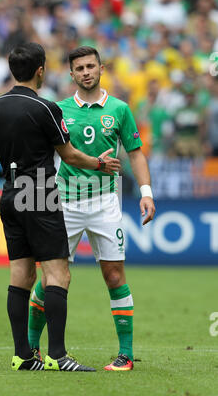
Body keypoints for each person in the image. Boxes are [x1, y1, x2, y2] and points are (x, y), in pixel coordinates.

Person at [0, 42, 120, 372]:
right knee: (57, 274)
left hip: (10, 194)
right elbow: (68, 155)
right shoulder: (46, 108)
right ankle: (57, 355)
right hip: (39, 192)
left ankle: (23, 355)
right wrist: (99, 163)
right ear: (41, 70)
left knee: (20, 275)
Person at [28, 46, 156, 371]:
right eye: (79, 68)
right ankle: (31, 349)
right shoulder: (58, 109)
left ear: (101, 68)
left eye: (90, 66)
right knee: (51, 278)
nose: (86, 72)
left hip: (104, 203)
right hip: (64, 202)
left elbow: (135, 153)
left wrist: (146, 192)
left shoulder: (119, 109)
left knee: (114, 275)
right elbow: (38, 150)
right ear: (71, 74)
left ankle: (125, 355)